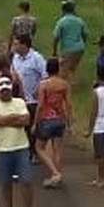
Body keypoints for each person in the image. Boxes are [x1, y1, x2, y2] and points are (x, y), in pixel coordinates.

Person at [0, 76, 37, 207]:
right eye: (2, 90)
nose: (5, 93)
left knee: (26, 181)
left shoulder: (19, 102)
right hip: (1, 149)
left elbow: (26, 121)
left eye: (7, 90)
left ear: (11, 90)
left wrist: (3, 119)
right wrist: (14, 119)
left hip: (20, 147)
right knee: (5, 183)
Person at [33, 57, 71, 188]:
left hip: (46, 119)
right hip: (60, 119)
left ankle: (55, 173)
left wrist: (35, 122)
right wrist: (69, 121)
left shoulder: (44, 84)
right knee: (57, 151)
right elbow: (69, 104)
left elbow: (40, 105)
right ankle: (57, 176)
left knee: (39, 148)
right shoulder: (64, 84)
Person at [10, 34, 47, 162]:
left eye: (16, 44)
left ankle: (34, 153)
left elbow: (45, 75)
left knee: (33, 128)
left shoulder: (37, 58)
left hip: (33, 100)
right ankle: (26, 152)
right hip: (20, 99)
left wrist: (38, 90)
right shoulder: (15, 58)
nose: (14, 46)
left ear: (24, 45)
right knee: (22, 128)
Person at [52, 0, 87, 89]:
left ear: (63, 10)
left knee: (64, 69)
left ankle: (66, 87)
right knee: (73, 67)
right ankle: (73, 83)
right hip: (80, 48)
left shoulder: (62, 21)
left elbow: (56, 37)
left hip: (68, 49)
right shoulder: (79, 20)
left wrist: (54, 51)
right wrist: (83, 43)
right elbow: (85, 34)